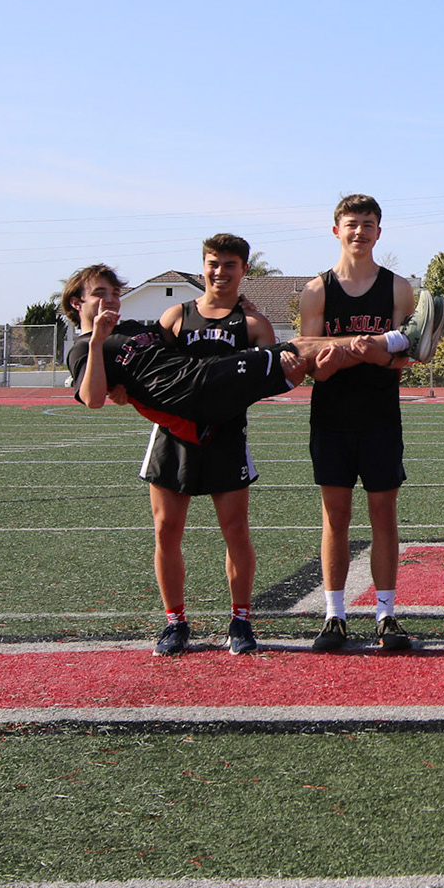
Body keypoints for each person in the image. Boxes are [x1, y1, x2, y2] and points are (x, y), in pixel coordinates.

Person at [299, 194, 444, 654]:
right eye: (351, 223)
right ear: (336, 230)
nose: (359, 231)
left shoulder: (398, 288)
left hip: (380, 417)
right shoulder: (317, 290)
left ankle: (385, 614)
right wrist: (346, 354)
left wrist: (376, 353)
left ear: (379, 232)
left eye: (367, 224)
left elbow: (405, 358)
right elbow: (310, 361)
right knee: (335, 517)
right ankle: (334, 615)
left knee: (384, 516)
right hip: (331, 418)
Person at [63, 265, 422, 437]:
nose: (111, 299)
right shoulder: (82, 348)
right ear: (77, 303)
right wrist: (96, 343)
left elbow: (185, 335)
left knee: (299, 358)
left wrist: (239, 310)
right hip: (190, 393)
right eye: (100, 294)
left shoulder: (132, 327)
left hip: (204, 383)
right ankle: (401, 340)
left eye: (115, 293)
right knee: (299, 348)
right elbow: (92, 399)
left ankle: (399, 343)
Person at [140, 235, 276, 657]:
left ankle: (240, 620)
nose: (220, 272)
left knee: (235, 530)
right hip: (172, 436)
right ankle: (175, 623)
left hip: (226, 436)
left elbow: (274, 373)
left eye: (230, 264)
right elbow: (145, 369)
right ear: (203, 267)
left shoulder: (253, 324)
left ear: (244, 270)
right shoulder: (175, 316)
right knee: (166, 530)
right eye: (213, 263)